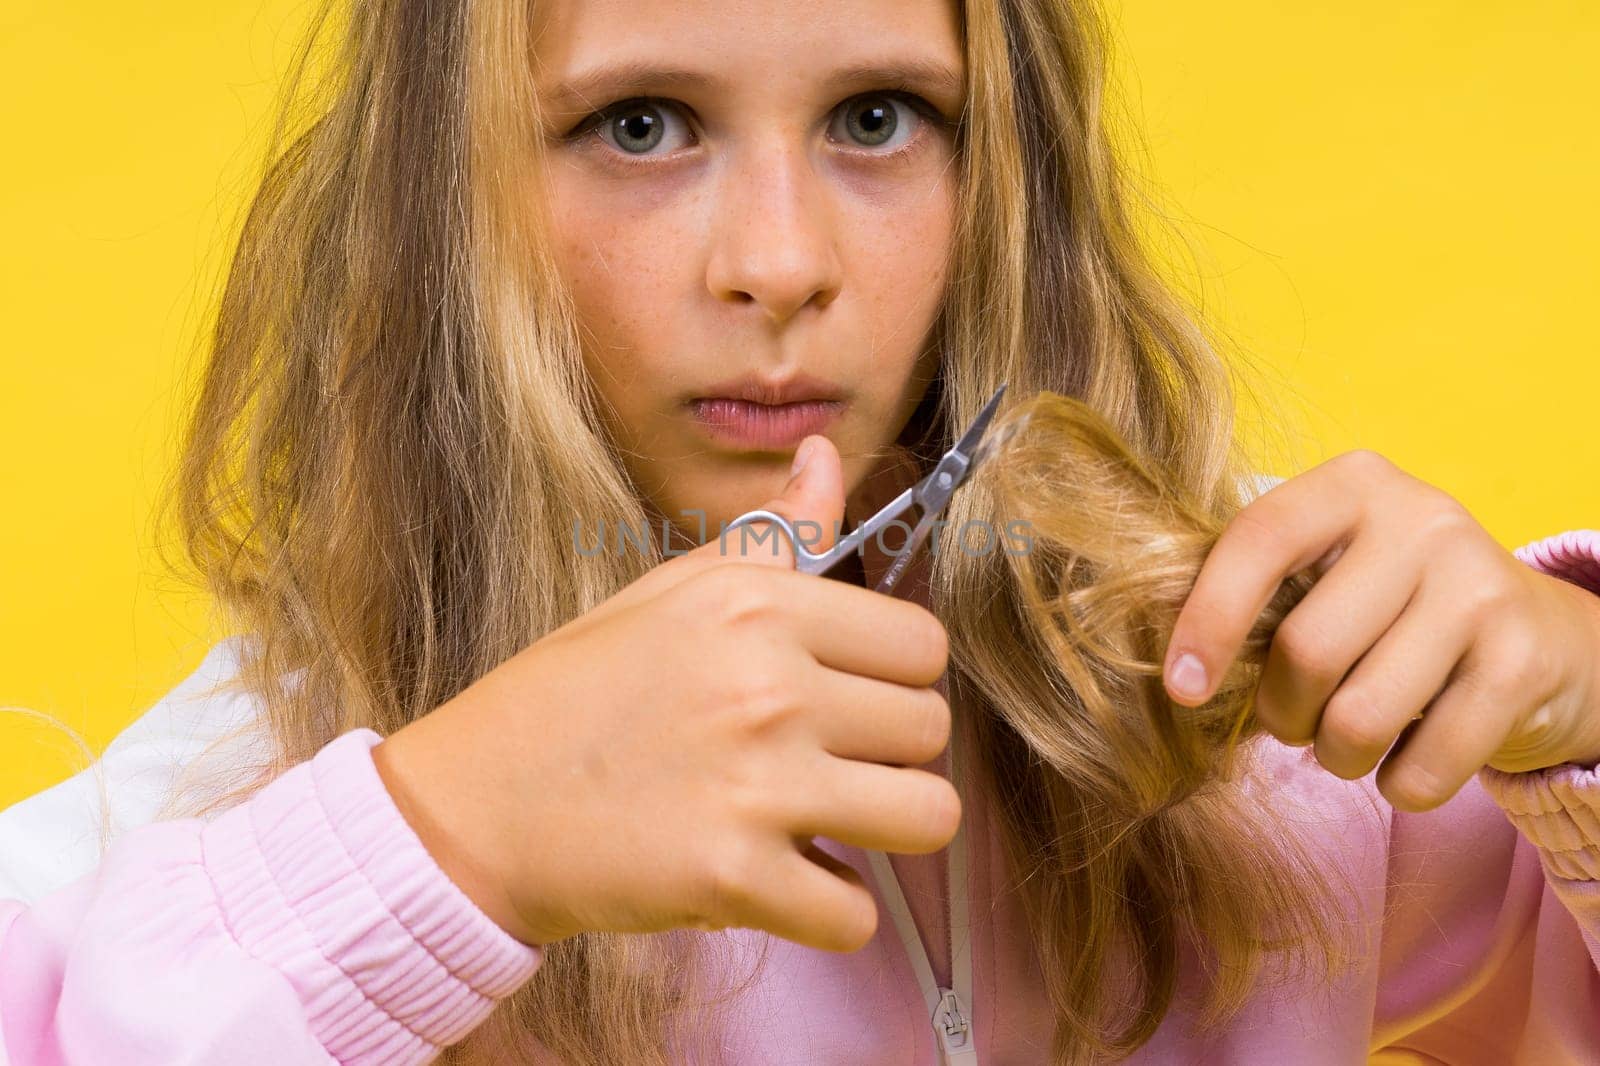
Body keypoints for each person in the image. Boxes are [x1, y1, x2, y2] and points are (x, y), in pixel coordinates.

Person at [4, 0, 1600, 1063]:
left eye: (880, 116)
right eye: (640, 125)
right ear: (452, 194)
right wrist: (442, 847)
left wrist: (1578, 713)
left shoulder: (1258, 705)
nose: (780, 263)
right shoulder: (230, 812)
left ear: (1006, 170)